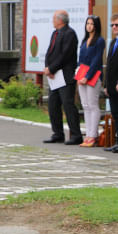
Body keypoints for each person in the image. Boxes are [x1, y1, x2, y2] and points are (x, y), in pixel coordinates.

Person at [43, 10, 82, 145]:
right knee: (53, 104)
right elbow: (50, 52)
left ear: (61, 20)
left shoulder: (69, 34)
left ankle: (76, 134)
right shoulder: (55, 33)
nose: (52, 20)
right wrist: (47, 67)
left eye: (54, 18)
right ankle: (57, 133)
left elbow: (65, 55)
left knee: (68, 104)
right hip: (54, 77)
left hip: (65, 75)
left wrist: (52, 68)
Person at [75, 16, 105, 147]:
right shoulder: (84, 40)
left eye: (92, 24)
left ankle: (93, 135)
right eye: (87, 23)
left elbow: (97, 60)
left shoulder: (99, 41)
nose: (89, 26)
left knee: (93, 105)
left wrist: (87, 76)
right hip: (81, 75)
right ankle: (87, 134)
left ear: (96, 26)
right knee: (85, 105)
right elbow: (80, 60)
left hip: (93, 76)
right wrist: (78, 74)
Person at [103, 14, 118, 152]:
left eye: (117, 25)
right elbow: (109, 64)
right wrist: (106, 85)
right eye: (112, 25)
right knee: (115, 113)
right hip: (112, 86)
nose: (114, 27)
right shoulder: (113, 42)